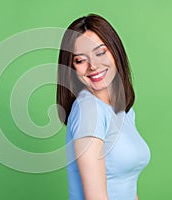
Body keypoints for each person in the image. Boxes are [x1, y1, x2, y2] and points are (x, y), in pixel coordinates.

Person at [56, 14, 151, 200]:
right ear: (72, 68)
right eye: (80, 60)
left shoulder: (122, 110)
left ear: (115, 52)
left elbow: (128, 188)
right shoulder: (89, 110)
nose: (93, 66)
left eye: (100, 53)